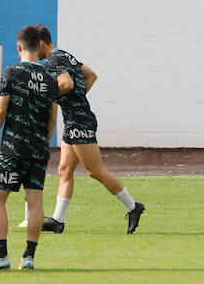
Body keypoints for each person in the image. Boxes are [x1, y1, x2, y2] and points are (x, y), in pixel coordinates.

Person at [0, 25, 72, 271]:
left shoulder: (12, 73)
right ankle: (28, 258)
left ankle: (1, 257)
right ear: (40, 47)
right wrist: (42, 142)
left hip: (13, 147)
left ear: (19, 47)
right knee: (34, 199)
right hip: (38, 148)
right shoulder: (51, 80)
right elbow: (52, 119)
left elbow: (0, 110)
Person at [34, 26, 144, 235]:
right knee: (64, 170)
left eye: (34, 48)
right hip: (74, 119)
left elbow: (65, 83)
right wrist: (76, 99)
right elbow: (91, 75)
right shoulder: (66, 56)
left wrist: (52, 95)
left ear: (40, 44)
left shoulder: (52, 61)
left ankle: (133, 207)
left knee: (95, 171)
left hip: (79, 122)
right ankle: (58, 220)